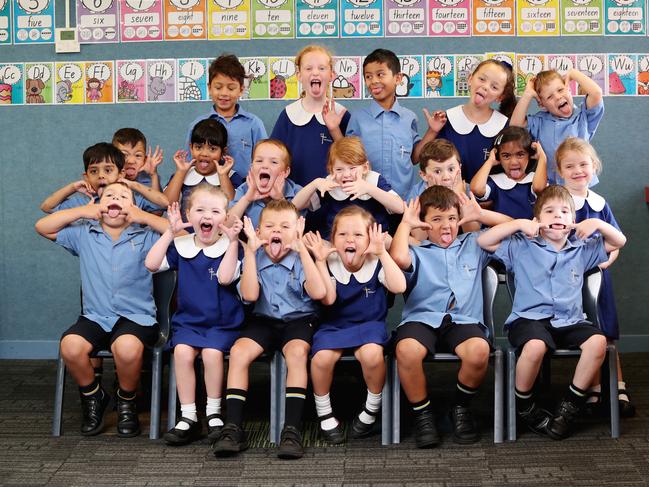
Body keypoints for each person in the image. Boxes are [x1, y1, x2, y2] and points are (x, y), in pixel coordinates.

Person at [477, 185, 626, 440]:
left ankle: (569, 406)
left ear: (573, 221)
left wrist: (597, 224)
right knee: (535, 347)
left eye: (565, 212)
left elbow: (619, 241)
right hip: (529, 320)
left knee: (598, 342)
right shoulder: (522, 245)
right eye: (550, 211)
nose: (558, 216)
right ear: (538, 220)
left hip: (570, 320)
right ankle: (523, 404)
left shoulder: (582, 247)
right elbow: (484, 240)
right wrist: (520, 224)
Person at [35, 182, 168, 437]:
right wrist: (82, 212)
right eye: (109, 196)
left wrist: (143, 217)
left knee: (126, 347)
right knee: (70, 346)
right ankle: (93, 396)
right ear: (99, 203)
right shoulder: (85, 233)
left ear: (134, 206)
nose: (115, 199)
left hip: (136, 317)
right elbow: (42, 226)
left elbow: (182, 235)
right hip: (96, 316)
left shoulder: (146, 235)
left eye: (123, 197)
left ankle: (126, 400)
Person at [389, 186, 511, 448]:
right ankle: (423, 414)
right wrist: (406, 223)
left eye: (452, 219)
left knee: (479, 351)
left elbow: (514, 227)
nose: (446, 226)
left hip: (463, 321)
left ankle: (460, 407)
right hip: (422, 320)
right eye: (436, 219)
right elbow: (398, 258)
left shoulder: (474, 244)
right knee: (406, 350)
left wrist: (480, 214)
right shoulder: (417, 250)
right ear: (424, 222)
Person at [213, 200, 326, 459]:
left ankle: (292, 430)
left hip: (300, 319)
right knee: (239, 352)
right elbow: (250, 295)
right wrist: (250, 253)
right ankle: (233, 427)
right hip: (263, 320)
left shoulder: (300, 256)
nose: (277, 231)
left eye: (286, 226)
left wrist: (303, 251)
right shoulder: (252, 256)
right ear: (260, 232)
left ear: (298, 229)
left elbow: (319, 292)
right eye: (270, 226)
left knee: (297, 352)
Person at [145, 185, 245, 445]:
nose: (207, 216)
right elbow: (151, 264)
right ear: (190, 215)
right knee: (182, 352)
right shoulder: (182, 246)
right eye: (200, 210)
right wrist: (171, 230)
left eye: (215, 211)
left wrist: (233, 242)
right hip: (189, 322)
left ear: (224, 217)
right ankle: (189, 415)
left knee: (212, 354)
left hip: (221, 324)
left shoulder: (232, 246)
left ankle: (213, 413)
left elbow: (224, 279)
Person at [303, 207, 406, 444]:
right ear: (332, 239)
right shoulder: (329, 260)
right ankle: (325, 413)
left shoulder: (376, 261)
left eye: (358, 235)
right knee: (321, 359)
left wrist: (382, 253)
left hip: (370, 324)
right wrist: (319, 260)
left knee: (371, 355)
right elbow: (328, 299)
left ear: (370, 238)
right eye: (343, 235)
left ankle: (371, 409)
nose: (350, 240)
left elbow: (399, 287)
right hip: (334, 325)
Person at [556, 138, 634, 417]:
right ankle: (593, 388)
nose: (578, 171)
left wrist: (606, 261)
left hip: (599, 277)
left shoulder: (600, 204)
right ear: (560, 171)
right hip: (569, 280)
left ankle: (618, 386)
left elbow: (615, 241)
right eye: (570, 166)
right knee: (588, 333)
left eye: (583, 164)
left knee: (606, 331)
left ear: (594, 166)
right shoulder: (557, 201)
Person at [346, 48, 433, 200]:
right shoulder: (358, 118)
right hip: (367, 200)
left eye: (380, 74)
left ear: (398, 78)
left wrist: (432, 131)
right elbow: (347, 158)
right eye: (368, 76)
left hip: (403, 200)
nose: (373, 81)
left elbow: (413, 158)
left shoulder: (409, 118)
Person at [423, 59, 517, 182]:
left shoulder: (504, 127)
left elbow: (511, 171)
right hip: (448, 197)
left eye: (494, 87)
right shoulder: (446, 119)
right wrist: (432, 131)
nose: (485, 87)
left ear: (500, 97)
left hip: (488, 199)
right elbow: (419, 159)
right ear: (470, 79)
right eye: (482, 79)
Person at [292, 136, 403, 239]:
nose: (346, 174)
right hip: (340, 243)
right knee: (308, 240)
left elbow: (400, 208)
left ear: (365, 168)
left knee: (388, 240)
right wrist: (315, 184)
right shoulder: (330, 183)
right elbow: (294, 206)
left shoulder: (373, 180)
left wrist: (369, 189)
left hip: (371, 241)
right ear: (331, 170)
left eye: (352, 168)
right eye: (339, 169)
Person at [271, 45, 350, 188]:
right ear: (299, 75)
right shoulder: (288, 115)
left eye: (322, 68)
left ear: (332, 74)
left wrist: (335, 130)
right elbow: (273, 158)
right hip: (296, 197)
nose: (315, 73)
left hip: (335, 197)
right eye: (308, 68)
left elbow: (352, 160)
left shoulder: (341, 114)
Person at [510, 68, 604, 185]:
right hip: (550, 188)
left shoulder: (583, 117)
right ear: (542, 105)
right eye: (549, 97)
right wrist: (528, 94)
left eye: (560, 90)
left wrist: (573, 73)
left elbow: (597, 93)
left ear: (568, 89)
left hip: (580, 184)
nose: (558, 97)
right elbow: (514, 126)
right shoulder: (540, 121)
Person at [186, 54, 267, 176]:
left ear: (241, 90)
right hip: (207, 188)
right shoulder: (197, 125)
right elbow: (189, 163)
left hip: (245, 190)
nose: (224, 93)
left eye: (231, 88)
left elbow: (264, 160)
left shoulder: (253, 123)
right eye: (218, 87)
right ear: (209, 88)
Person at [40, 142, 168, 214]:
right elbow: (47, 207)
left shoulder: (136, 199)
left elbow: (165, 203)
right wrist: (72, 187)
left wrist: (132, 185)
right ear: (86, 177)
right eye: (94, 171)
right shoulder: (83, 203)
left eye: (108, 170)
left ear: (121, 174)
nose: (101, 175)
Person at [165, 119, 242, 217]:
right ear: (191, 148)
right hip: (185, 231)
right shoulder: (181, 174)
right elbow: (167, 203)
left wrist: (223, 176)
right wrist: (180, 172)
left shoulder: (232, 176)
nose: (204, 153)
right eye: (198, 147)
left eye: (212, 149)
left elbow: (233, 209)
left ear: (223, 152)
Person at [470, 126, 548, 219]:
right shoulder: (496, 182)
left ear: (530, 155)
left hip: (528, 232)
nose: (514, 162)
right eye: (506, 156)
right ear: (498, 157)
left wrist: (542, 158)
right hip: (501, 232)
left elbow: (539, 188)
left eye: (520, 155)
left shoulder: (534, 180)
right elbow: (476, 189)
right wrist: (490, 161)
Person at [228, 139, 303, 228]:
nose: (265, 166)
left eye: (274, 162)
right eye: (259, 161)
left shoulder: (297, 192)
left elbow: (294, 230)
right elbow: (226, 226)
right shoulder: (245, 189)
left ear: (286, 172)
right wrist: (247, 199)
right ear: (251, 168)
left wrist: (280, 199)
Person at [112, 127, 164, 192]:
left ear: (145, 160)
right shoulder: (106, 179)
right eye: (124, 155)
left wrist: (153, 175)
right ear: (112, 157)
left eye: (138, 155)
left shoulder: (149, 182)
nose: (131, 161)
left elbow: (157, 201)